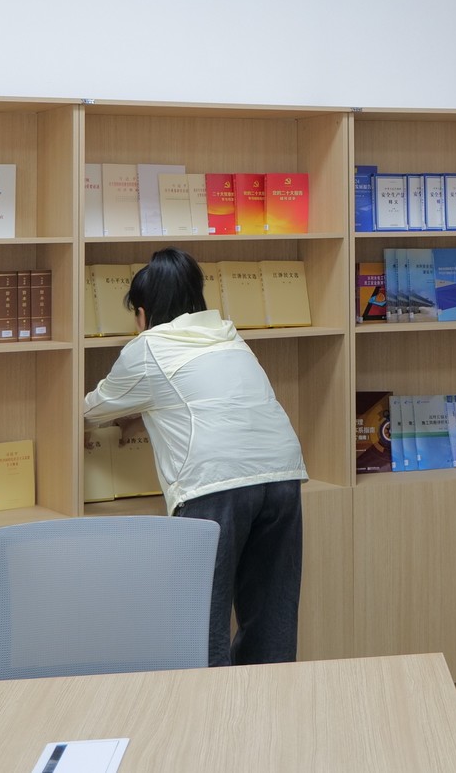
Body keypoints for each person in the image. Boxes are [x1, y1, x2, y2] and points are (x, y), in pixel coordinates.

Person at [82, 247, 308, 667]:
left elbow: (92, 409)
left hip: (216, 486)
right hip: (282, 475)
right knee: (270, 617)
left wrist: (129, 411)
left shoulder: (148, 346)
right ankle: (270, 703)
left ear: (143, 313)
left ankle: (209, 707)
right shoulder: (228, 336)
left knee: (201, 622)